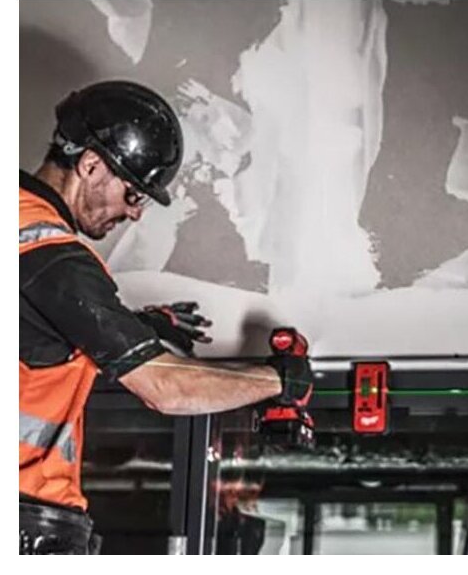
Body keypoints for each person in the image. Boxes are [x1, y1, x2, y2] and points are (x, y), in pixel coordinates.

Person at [19, 80, 312, 554]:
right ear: (90, 165)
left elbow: (30, 338)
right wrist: (279, 380)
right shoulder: (51, 255)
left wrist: (130, 326)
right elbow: (165, 388)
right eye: (133, 195)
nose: (134, 214)